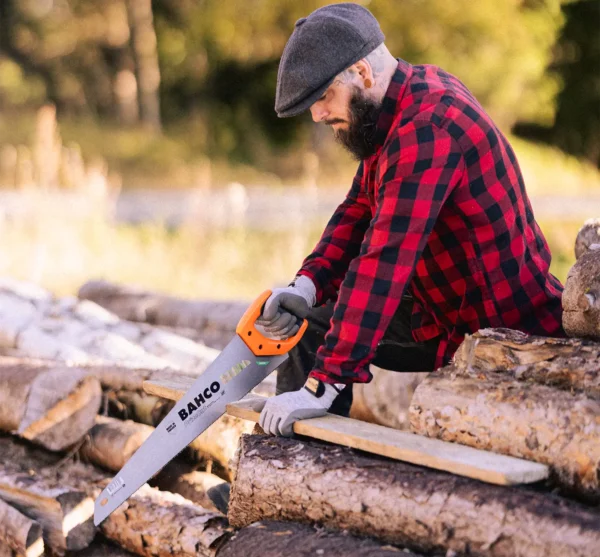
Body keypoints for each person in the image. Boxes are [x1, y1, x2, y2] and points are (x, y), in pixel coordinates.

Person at [251, 2, 565, 437]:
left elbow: (383, 262)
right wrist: (306, 285)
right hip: (441, 311)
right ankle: (284, 478)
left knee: (329, 346)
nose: (318, 115)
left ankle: (305, 463)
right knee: (311, 323)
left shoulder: (428, 127)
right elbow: (359, 210)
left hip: (498, 333)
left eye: (323, 97)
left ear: (361, 73)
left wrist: (325, 384)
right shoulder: (398, 107)